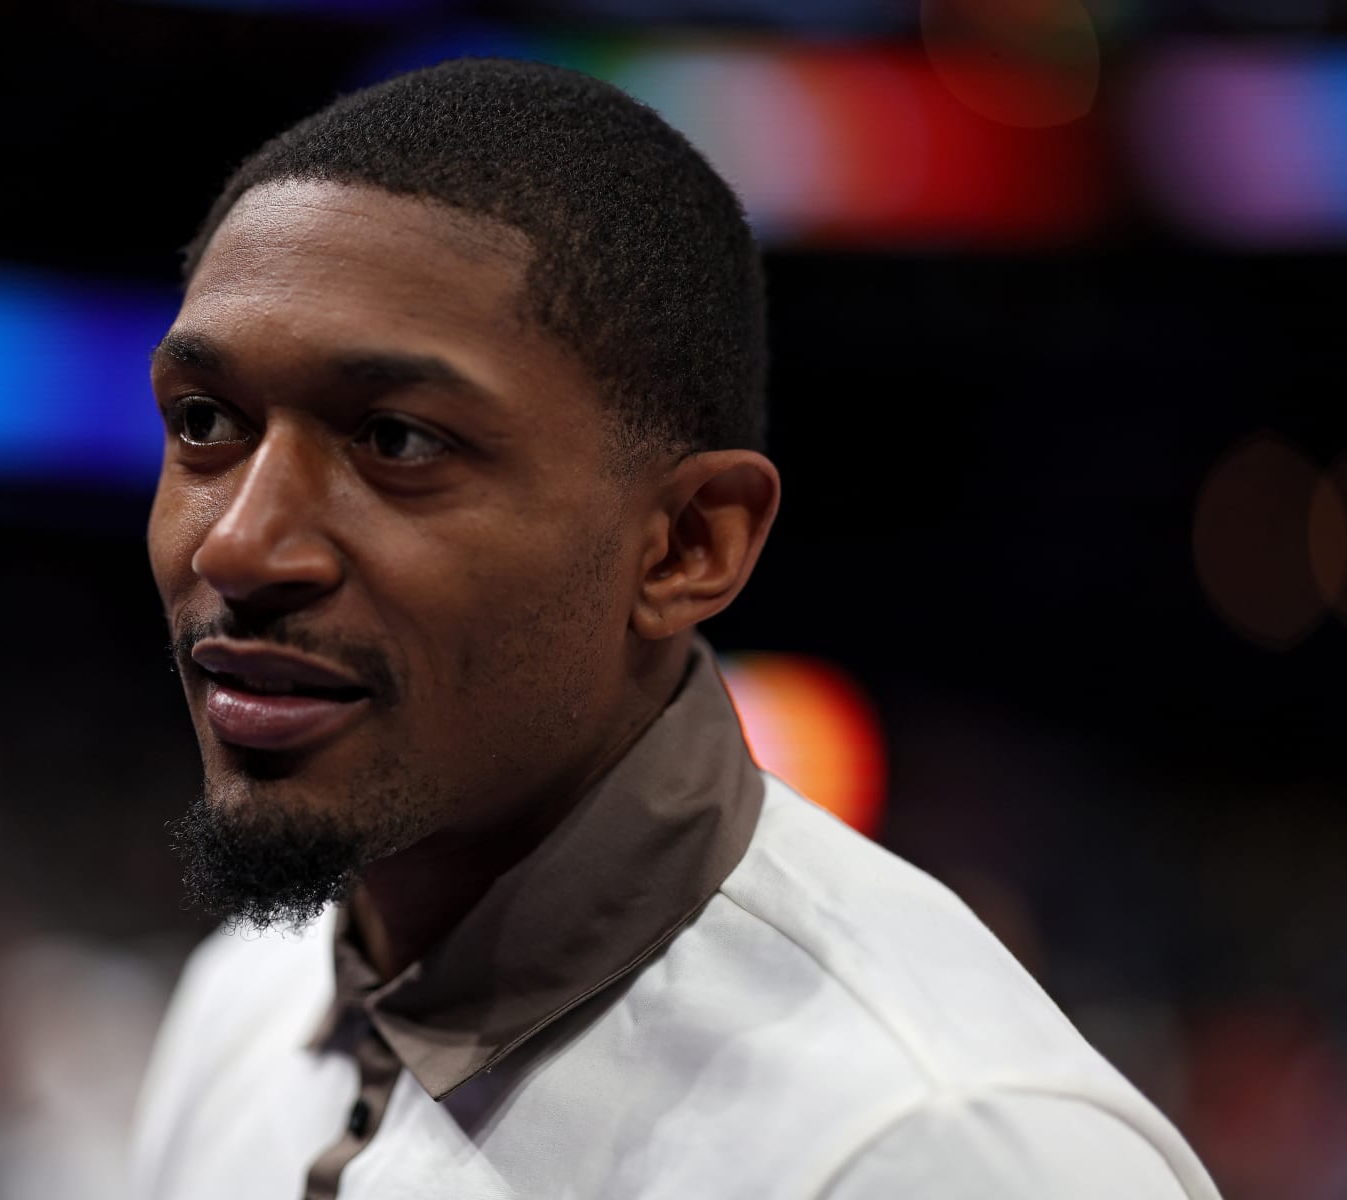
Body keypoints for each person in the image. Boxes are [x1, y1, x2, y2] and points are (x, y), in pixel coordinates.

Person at [130, 58, 1219, 1199]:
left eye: (398, 441)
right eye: (206, 422)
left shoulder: (937, 1145)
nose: (238, 546)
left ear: (687, 544)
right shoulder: (244, 1001)